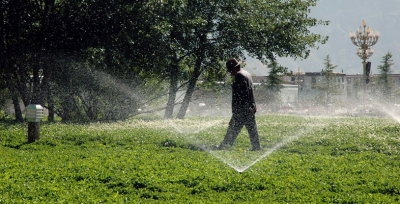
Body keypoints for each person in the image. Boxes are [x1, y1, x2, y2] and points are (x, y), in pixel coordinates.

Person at [216, 58, 261, 151]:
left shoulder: (239, 76)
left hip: (242, 108)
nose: (230, 73)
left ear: (235, 68)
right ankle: (256, 147)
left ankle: (225, 146)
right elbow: (250, 92)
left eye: (230, 71)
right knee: (252, 129)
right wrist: (253, 105)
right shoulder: (247, 74)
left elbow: (240, 95)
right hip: (250, 106)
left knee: (233, 127)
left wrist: (236, 109)